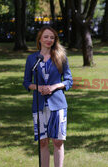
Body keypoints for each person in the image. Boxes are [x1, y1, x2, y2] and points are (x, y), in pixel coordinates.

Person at [23, 26, 73, 167]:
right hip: (39, 105)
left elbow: (69, 80)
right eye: (46, 37)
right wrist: (38, 87)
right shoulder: (32, 59)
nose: (49, 40)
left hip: (58, 104)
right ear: (39, 39)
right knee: (43, 141)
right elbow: (26, 82)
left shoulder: (60, 57)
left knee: (57, 142)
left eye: (52, 37)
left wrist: (54, 86)